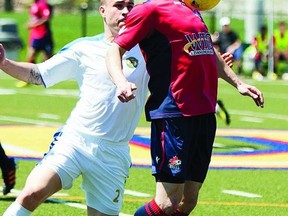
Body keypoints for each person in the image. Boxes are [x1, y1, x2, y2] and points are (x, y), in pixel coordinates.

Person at [105, 0, 264, 215]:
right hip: (174, 113)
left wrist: (239, 83)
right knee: (167, 203)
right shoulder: (149, 9)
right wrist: (120, 81)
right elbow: (115, 48)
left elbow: (207, 49)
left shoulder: (192, 9)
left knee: (187, 202)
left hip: (205, 113)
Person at [0, 0, 149, 215]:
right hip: (76, 141)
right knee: (32, 193)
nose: (126, 11)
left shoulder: (148, 52)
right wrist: (5, 63)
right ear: (102, 10)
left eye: (130, 5)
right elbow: (39, 74)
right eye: (118, 5)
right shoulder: (83, 48)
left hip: (114, 153)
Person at [16, 0, 54, 88]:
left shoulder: (42, 4)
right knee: (31, 56)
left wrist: (33, 25)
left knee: (47, 59)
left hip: (44, 35)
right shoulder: (34, 5)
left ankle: (50, 77)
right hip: (35, 35)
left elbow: (46, 17)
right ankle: (27, 79)